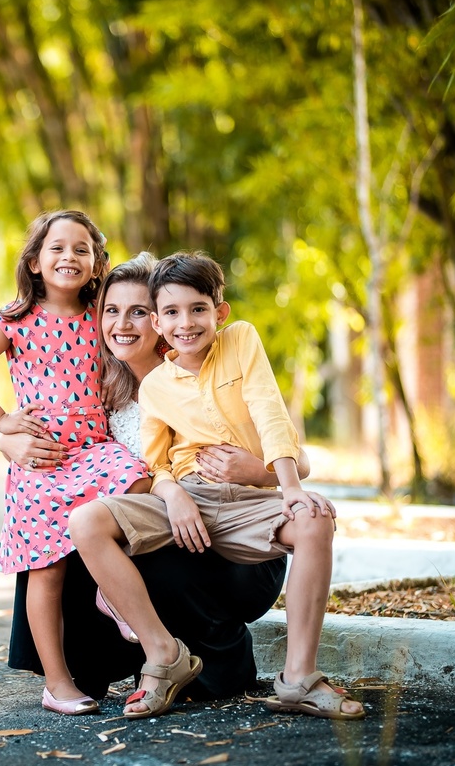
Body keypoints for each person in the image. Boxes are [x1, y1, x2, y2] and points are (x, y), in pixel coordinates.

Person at [69, 251, 365, 720]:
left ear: (219, 312)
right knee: (86, 522)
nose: (185, 323)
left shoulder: (241, 340)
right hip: (191, 499)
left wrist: (288, 489)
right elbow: (157, 462)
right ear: (159, 325)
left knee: (313, 521)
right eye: (171, 312)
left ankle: (298, 680)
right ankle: (164, 656)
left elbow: (270, 411)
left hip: (250, 502)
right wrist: (176, 494)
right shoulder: (155, 388)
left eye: (197, 309)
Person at [0, 252, 305, 703]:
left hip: (224, 539)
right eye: (112, 310)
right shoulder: (99, 389)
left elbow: (299, 458)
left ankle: (207, 655)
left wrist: (258, 470)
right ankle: (81, 670)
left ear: (160, 321)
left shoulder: (200, 366)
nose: (123, 324)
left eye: (139, 311)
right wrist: (11, 442)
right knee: (61, 529)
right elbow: (54, 446)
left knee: (127, 538)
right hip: (163, 532)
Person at [0, 210, 150, 715]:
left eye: (81, 249)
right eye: (57, 248)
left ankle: (111, 593)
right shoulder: (15, 319)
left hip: (92, 449)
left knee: (137, 480)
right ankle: (58, 683)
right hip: (40, 458)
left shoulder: (101, 314)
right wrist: (3, 424)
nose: (69, 257)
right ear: (36, 261)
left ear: (96, 262)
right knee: (47, 571)